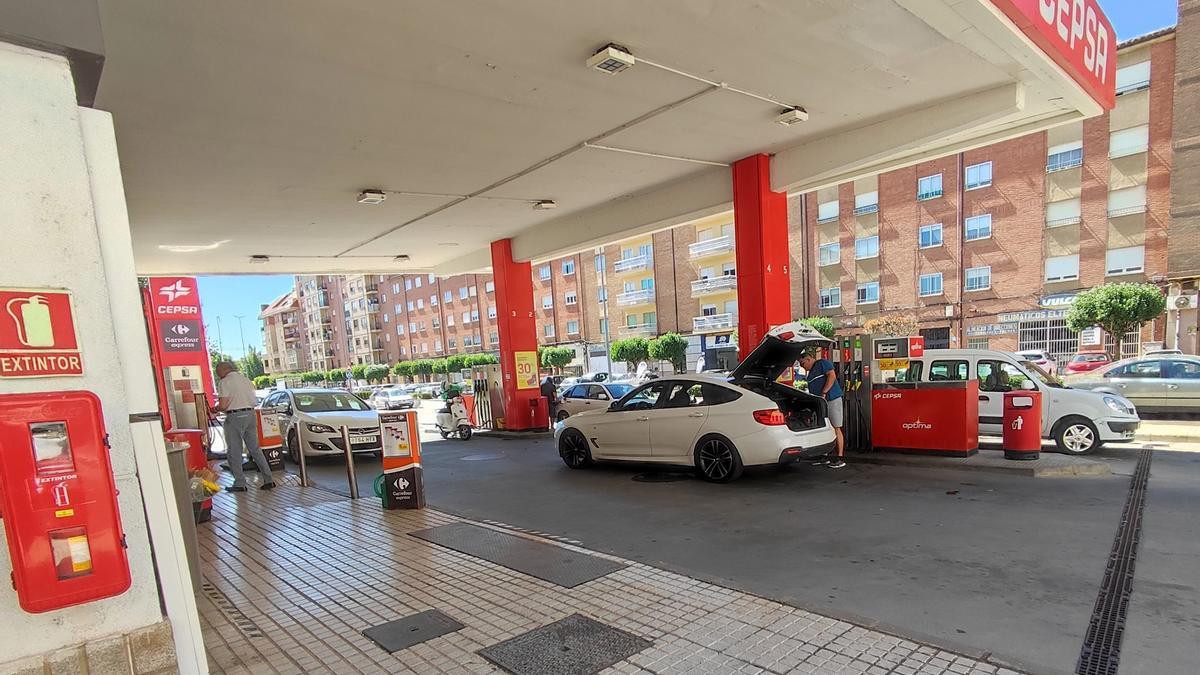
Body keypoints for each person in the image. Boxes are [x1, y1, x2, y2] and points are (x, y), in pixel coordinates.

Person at [211, 361, 275, 491]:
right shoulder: (246, 380)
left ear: (223, 370)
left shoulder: (225, 382)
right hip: (251, 414)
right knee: (255, 449)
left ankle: (240, 483)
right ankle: (269, 479)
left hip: (235, 416)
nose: (218, 376)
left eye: (218, 373)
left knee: (235, 451)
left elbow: (223, 405)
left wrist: (215, 409)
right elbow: (253, 400)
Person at [798, 349, 845, 469]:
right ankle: (825, 455)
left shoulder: (822, 363)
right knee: (825, 428)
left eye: (803, 364)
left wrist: (824, 392)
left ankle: (840, 457)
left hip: (831, 399)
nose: (803, 367)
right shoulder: (810, 373)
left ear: (809, 359)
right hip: (821, 403)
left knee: (836, 427)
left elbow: (832, 376)